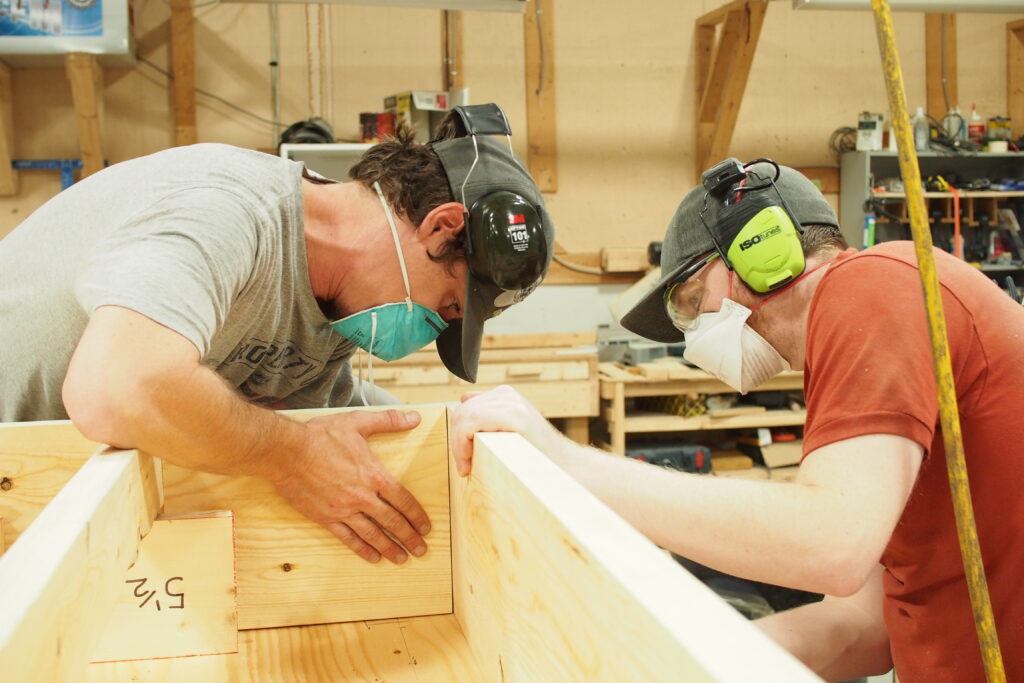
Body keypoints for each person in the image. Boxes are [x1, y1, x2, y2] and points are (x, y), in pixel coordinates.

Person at [450, 158, 1024, 682]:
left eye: (687, 302)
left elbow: (832, 541)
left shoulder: (875, 285)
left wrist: (568, 463)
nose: (692, 330)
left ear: (759, 251)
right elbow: (864, 627)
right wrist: (670, 669)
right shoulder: (865, 326)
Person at [0, 102, 554, 567]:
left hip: (57, 509)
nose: (425, 330)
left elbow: (321, 426)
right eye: (447, 306)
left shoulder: (335, 308)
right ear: (441, 227)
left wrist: (462, 443)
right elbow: (116, 391)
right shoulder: (229, 212)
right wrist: (292, 456)